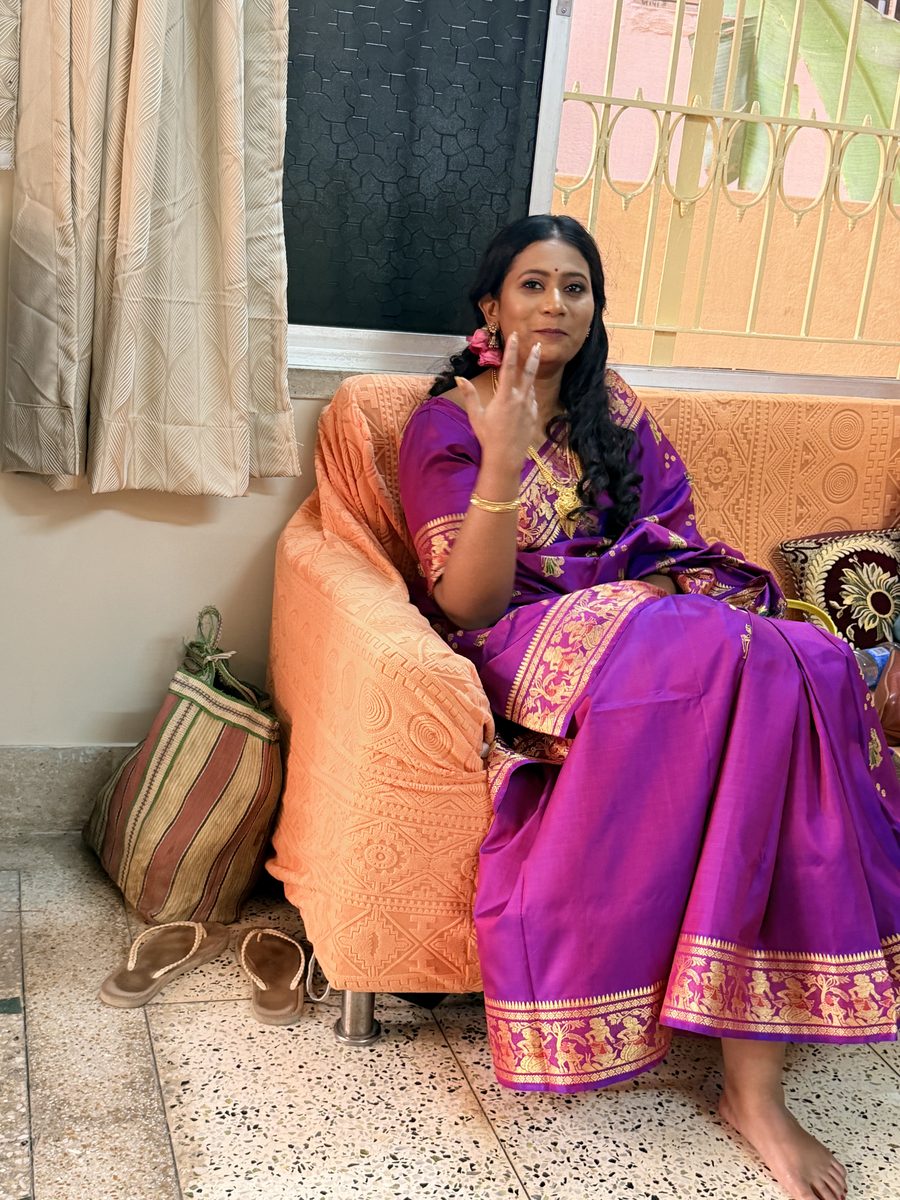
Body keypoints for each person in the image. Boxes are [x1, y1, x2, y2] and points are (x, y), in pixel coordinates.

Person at [397, 214, 900, 1200]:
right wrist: (503, 461)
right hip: (536, 640)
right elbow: (469, 602)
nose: (556, 304)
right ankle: (751, 1085)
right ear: (490, 306)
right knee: (742, 660)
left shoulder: (611, 411)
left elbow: (676, 543)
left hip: (658, 628)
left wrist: (672, 598)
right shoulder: (447, 421)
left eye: (575, 287)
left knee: (815, 665)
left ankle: (753, 1073)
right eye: (533, 285)